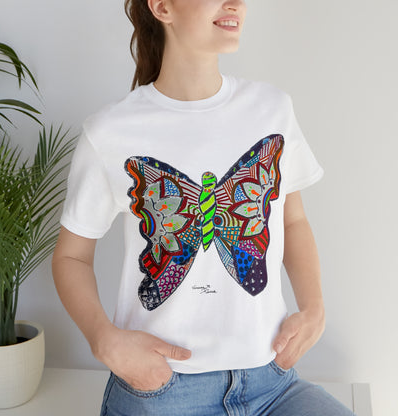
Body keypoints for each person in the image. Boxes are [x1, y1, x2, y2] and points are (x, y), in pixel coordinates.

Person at [52, 1, 355, 415]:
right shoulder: (110, 131)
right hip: (163, 390)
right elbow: (71, 256)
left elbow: (293, 220)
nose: (235, 4)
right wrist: (102, 338)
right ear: (162, 7)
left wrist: (315, 308)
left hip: (271, 383)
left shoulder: (272, 109)